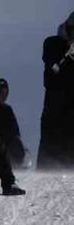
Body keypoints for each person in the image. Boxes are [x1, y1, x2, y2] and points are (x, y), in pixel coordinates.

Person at [38, 11, 74, 170]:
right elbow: (53, 68)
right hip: (55, 105)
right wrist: (67, 55)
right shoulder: (52, 43)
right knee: (50, 149)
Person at [0, 78, 27, 168]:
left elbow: (15, 132)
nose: (4, 96)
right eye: (1, 93)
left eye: (5, 93)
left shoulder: (6, 109)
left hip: (5, 147)